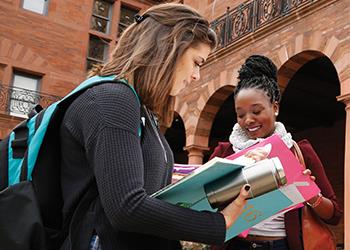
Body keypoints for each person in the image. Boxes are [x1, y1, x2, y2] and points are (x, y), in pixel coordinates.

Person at [59, 3, 252, 250]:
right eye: (196, 62)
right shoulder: (112, 99)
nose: (196, 76)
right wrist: (218, 223)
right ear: (168, 48)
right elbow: (125, 207)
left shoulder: (140, 109)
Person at [210, 55, 343, 250]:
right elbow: (204, 204)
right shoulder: (225, 152)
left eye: (256, 111)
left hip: (282, 246)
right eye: (240, 114)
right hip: (235, 245)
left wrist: (310, 194)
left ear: (275, 107)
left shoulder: (300, 152)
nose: (248, 120)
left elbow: (334, 215)